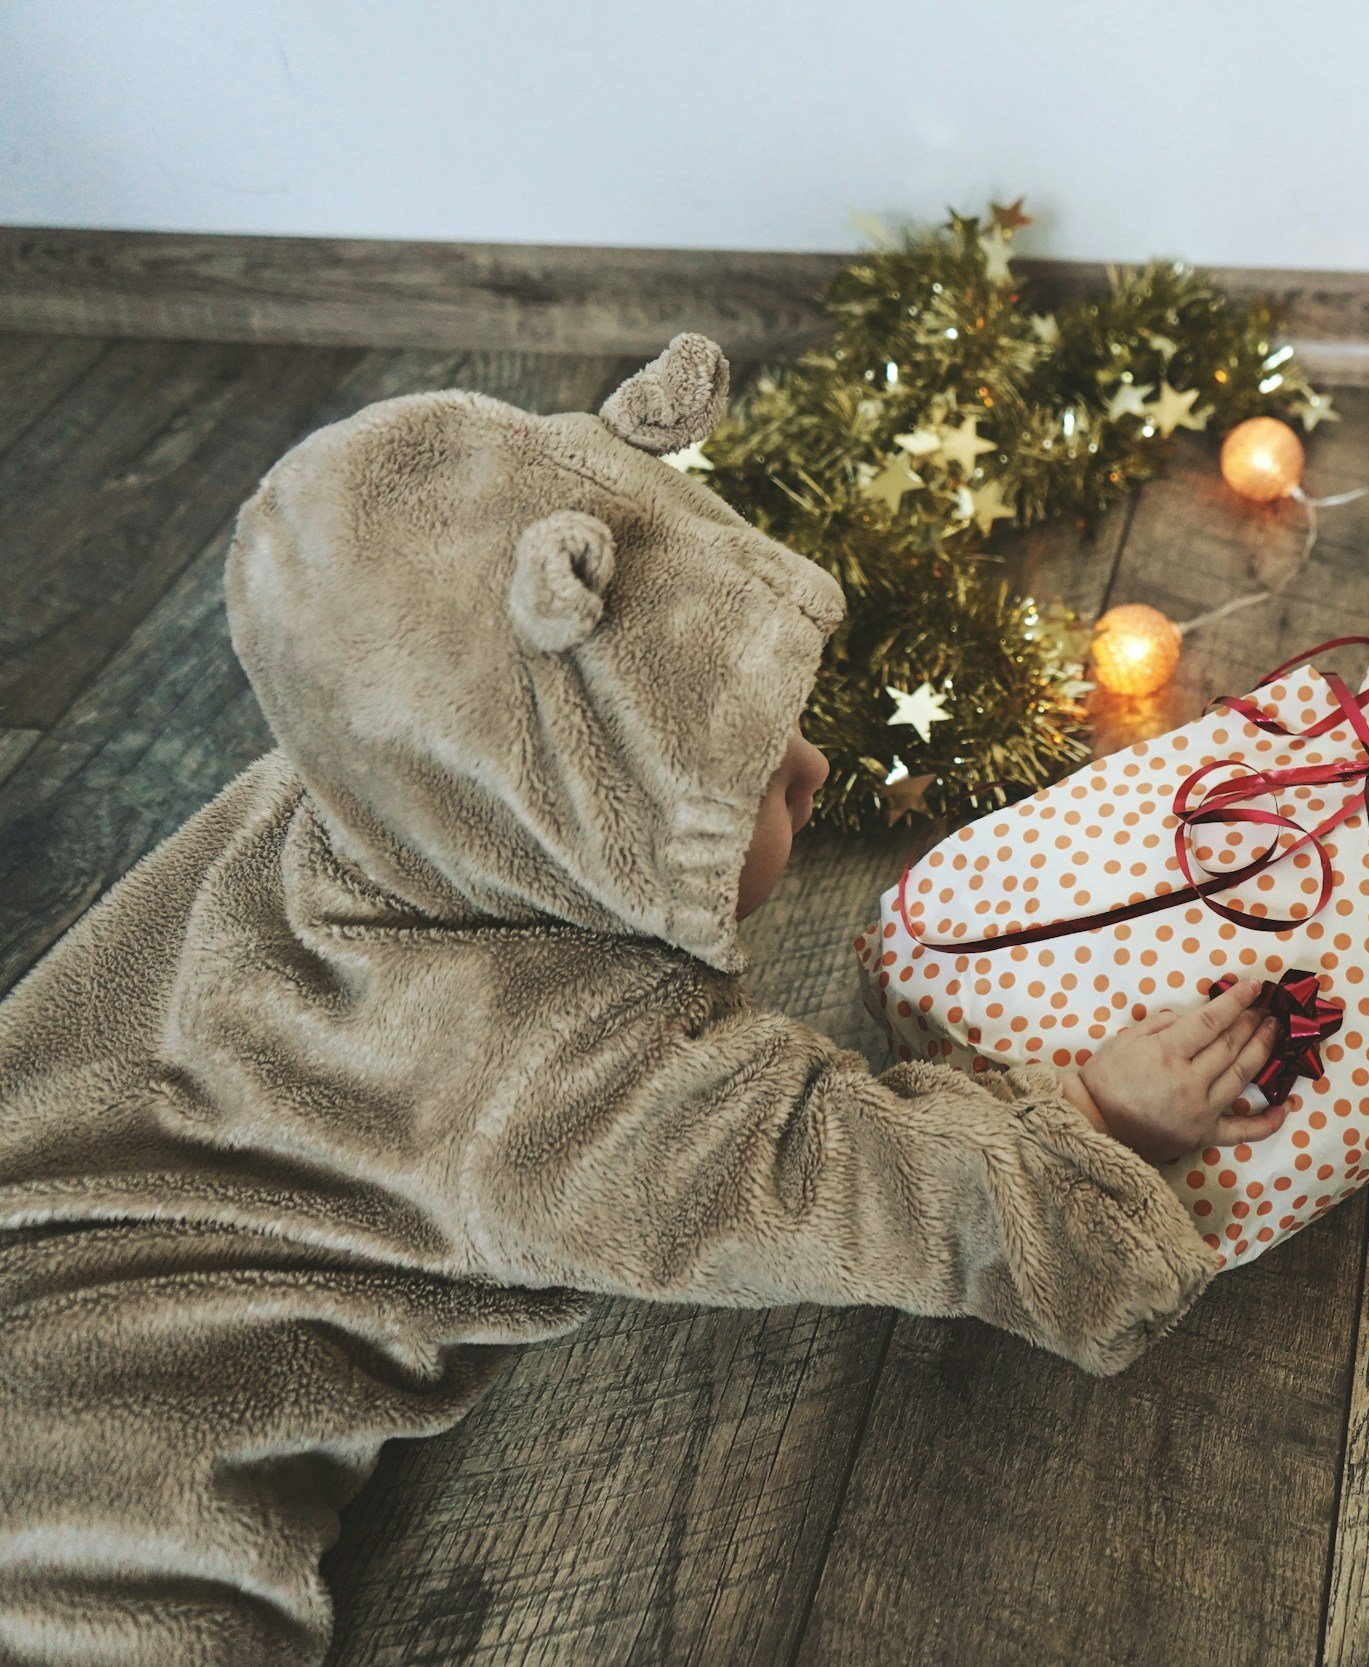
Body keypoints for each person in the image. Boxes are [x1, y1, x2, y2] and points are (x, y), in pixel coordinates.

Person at [0, 336, 1284, 1667]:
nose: (814, 764)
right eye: (740, 784)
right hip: (92, 1438)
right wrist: (1095, 1123)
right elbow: (835, 1177)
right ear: (574, 822)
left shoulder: (381, 779)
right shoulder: (541, 1080)